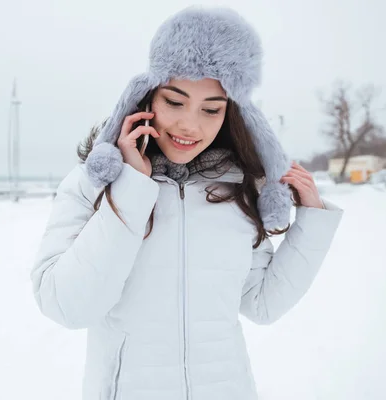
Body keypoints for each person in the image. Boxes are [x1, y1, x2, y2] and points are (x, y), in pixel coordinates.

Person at [30, 6, 343, 400]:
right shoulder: (93, 183)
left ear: (231, 114)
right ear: (147, 97)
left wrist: (311, 220)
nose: (190, 125)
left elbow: (263, 304)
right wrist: (131, 186)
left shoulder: (239, 191)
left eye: (211, 109)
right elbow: (66, 306)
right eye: (175, 101)